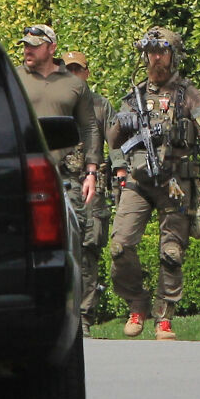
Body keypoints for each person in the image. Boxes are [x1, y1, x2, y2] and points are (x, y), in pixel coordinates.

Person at [107, 26, 200, 340]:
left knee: (171, 252)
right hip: (138, 181)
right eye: (151, 52)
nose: (155, 58)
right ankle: (136, 302)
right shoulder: (135, 94)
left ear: (173, 55)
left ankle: (164, 317)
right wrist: (121, 122)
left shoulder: (188, 93)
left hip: (174, 181)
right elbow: (113, 140)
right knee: (120, 246)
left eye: (162, 52)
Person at [16, 25, 103, 333]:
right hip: (25, 175)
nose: (27, 50)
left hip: (67, 174)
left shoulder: (74, 86)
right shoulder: (14, 78)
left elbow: (90, 128)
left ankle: (80, 317)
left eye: (34, 46)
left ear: (51, 48)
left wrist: (92, 171)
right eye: (25, 45)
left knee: (76, 240)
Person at [64, 51, 115, 337]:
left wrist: (121, 174)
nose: (73, 74)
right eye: (68, 69)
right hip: (61, 183)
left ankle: (84, 318)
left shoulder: (100, 105)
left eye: (77, 69)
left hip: (91, 187)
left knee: (88, 250)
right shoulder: (55, 103)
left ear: (87, 73)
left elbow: (116, 142)